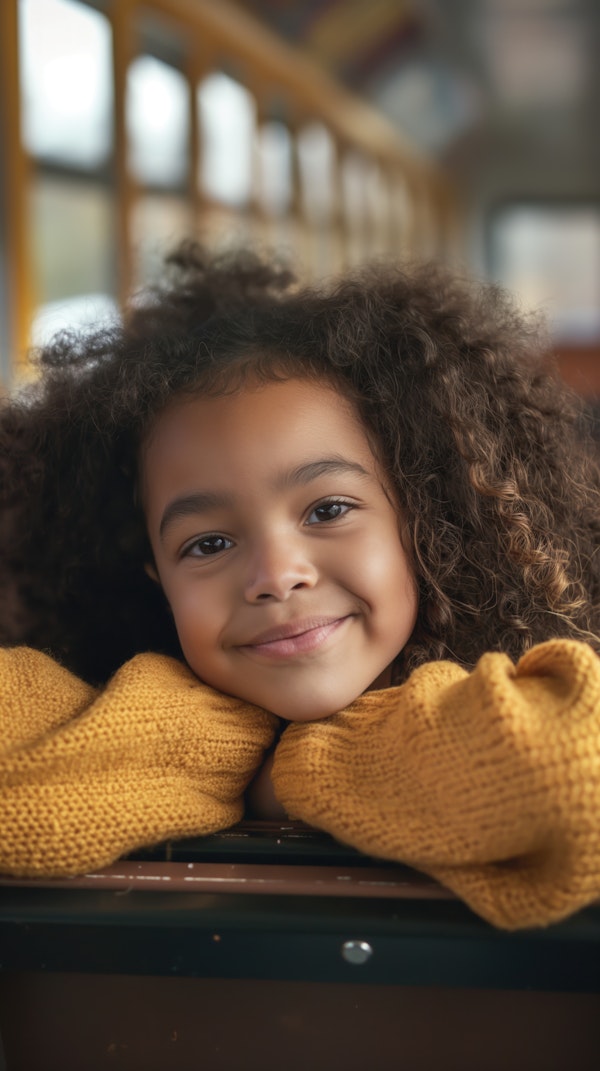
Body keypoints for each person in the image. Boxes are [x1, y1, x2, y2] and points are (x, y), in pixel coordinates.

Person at [1, 243, 599, 929]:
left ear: (427, 517)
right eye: (209, 544)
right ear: (156, 579)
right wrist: (226, 750)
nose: (276, 574)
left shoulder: (538, 669)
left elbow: (578, 776)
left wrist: (297, 771)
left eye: (328, 509)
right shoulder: (119, 696)